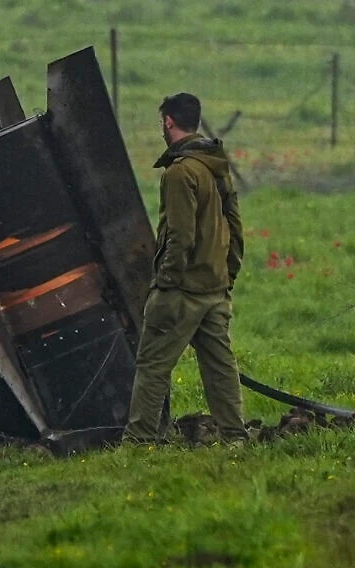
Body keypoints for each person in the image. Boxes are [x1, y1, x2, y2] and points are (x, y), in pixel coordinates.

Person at [123, 92, 247, 445]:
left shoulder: (180, 173)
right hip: (214, 289)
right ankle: (235, 438)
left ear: (168, 122)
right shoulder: (215, 165)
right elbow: (235, 227)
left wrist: (167, 282)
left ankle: (139, 441)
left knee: (152, 366)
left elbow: (179, 235)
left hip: (182, 292)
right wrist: (228, 276)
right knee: (220, 368)